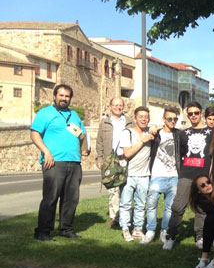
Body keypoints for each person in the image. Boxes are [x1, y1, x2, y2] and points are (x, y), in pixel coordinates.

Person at [30, 84, 89, 241]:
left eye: (67, 96)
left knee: (71, 198)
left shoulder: (74, 115)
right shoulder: (45, 113)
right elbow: (35, 134)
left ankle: (66, 229)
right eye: (61, 95)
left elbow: (82, 135)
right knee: (51, 197)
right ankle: (43, 231)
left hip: (74, 162)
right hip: (54, 162)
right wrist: (46, 152)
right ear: (54, 96)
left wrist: (85, 149)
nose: (64, 98)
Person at [165, 102, 214, 247]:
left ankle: (200, 236)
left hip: (204, 175)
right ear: (187, 115)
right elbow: (179, 153)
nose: (193, 116)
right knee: (178, 207)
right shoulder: (183, 133)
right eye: (190, 113)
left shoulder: (211, 132)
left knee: (202, 208)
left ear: (201, 113)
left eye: (196, 113)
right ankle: (171, 236)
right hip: (186, 174)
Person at [145, 107, 181, 246]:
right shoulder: (157, 134)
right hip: (157, 175)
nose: (172, 121)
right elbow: (146, 133)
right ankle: (150, 230)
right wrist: (153, 129)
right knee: (152, 204)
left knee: (169, 207)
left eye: (175, 119)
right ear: (163, 119)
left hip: (173, 176)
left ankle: (164, 230)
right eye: (169, 118)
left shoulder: (179, 135)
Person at [119, 106, 155, 241]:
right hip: (128, 174)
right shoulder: (127, 132)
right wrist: (142, 141)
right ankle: (125, 228)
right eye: (141, 116)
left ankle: (138, 228)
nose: (143, 119)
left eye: (146, 117)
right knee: (126, 204)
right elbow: (127, 153)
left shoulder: (151, 133)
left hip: (144, 175)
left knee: (141, 204)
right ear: (135, 118)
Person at [95, 97, 131, 228]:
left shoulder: (129, 122)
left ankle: (126, 217)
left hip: (125, 158)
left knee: (126, 188)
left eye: (120, 105)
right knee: (113, 190)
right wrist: (99, 159)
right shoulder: (104, 123)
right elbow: (99, 143)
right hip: (110, 160)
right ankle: (114, 217)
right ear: (110, 106)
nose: (118, 107)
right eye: (115, 105)